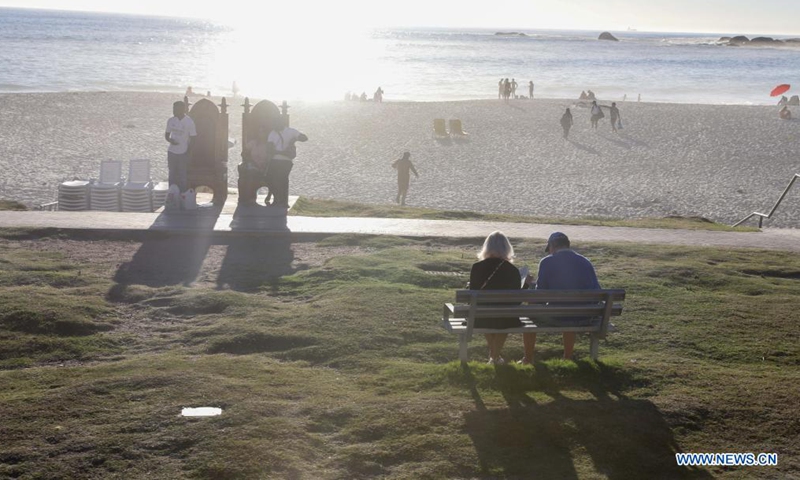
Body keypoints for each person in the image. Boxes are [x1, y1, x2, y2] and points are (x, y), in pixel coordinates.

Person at [519, 232, 601, 363]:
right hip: (584, 316)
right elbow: (597, 292)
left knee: (531, 310)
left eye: (549, 249)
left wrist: (528, 288)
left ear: (552, 246)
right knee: (570, 308)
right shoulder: (585, 262)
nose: (550, 252)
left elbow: (540, 296)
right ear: (568, 245)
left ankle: (528, 358)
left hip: (558, 316)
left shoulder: (547, 262)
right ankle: (567, 357)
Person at [469, 231, 524, 365]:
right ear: (507, 248)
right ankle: (495, 357)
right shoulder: (512, 270)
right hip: (506, 317)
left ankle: (494, 357)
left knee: (487, 315)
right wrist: (526, 284)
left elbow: (472, 296)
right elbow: (517, 300)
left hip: (481, 317)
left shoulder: (476, 268)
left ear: (486, 247)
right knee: (503, 317)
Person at [266, 119, 308, 208]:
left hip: (285, 161)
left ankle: (281, 201)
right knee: (270, 179)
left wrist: (294, 139)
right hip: (275, 160)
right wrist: (283, 152)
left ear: (281, 123)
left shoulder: (291, 131)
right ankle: (278, 199)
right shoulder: (272, 133)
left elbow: (305, 138)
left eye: (276, 123)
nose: (274, 126)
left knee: (282, 180)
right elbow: (269, 150)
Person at [164, 101, 196, 195]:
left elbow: (193, 138)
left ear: (182, 110)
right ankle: (172, 194)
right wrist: (170, 140)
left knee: (182, 175)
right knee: (172, 174)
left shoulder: (189, 122)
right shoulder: (171, 120)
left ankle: (182, 195)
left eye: (176, 109)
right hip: (172, 152)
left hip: (183, 152)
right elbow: (166, 135)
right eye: (173, 109)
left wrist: (188, 152)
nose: (174, 111)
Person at [239, 124, 272, 206]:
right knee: (250, 172)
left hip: (266, 167)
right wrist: (251, 161)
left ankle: (254, 197)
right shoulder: (253, 143)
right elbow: (244, 153)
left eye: (263, 132)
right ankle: (249, 197)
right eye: (260, 132)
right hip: (253, 165)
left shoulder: (269, 145)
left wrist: (265, 164)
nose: (261, 134)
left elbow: (271, 157)